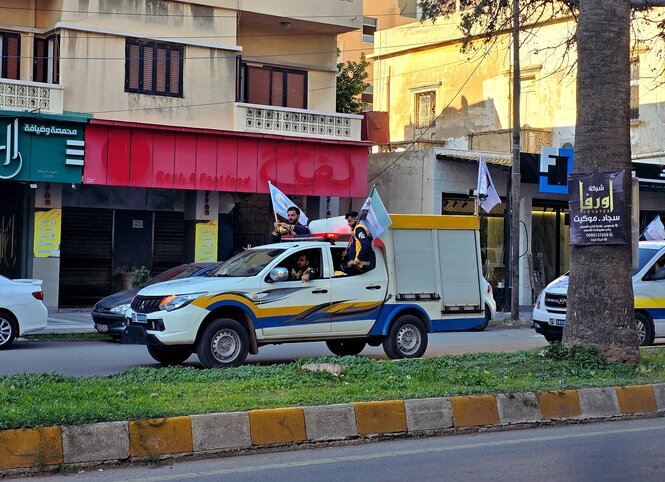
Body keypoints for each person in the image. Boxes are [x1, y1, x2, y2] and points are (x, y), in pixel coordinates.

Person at [342, 210, 373, 275]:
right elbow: (356, 247)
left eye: (350, 221)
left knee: (340, 269)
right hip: (357, 265)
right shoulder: (356, 230)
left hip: (360, 266)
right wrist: (347, 253)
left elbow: (365, 245)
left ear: (356, 219)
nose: (349, 224)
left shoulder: (359, 229)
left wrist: (356, 261)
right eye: (348, 221)